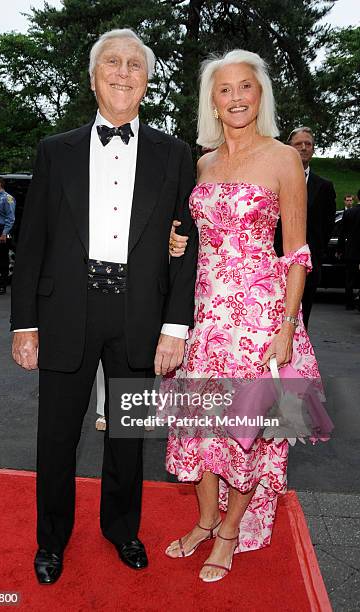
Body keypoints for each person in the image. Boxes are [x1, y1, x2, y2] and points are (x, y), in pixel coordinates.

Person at [10, 28, 198, 583]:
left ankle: (122, 528)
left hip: (139, 313)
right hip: (66, 308)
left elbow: (186, 246)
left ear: (147, 80)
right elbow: (32, 243)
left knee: (127, 435)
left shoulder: (175, 153)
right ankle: (51, 541)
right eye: (111, 63)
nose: (123, 72)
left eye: (134, 65)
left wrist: (174, 326)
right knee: (56, 436)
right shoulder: (54, 150)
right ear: (93, 77)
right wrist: (24, 324)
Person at [164, 49, 322, 583]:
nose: (236, 97)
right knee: (203, 427)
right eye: (225, 88)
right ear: (213, 98)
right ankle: (206, 519)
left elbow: (297, 252)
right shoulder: (202, 162)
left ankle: (230, 530)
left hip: (258, 318)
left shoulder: (283, 159)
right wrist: (174, 243)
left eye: (245, 88)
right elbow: (195, 238)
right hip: (205, 315)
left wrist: (285, 327)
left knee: (246, 430)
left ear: (260, 95)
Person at [273, 127, 336, 329]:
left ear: (313, 149)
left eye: (308, 144)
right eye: (298, 144)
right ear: (288, 148)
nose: (303, 148)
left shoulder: (324, 186)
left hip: (308, 267)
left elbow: (327, 227)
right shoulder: (273, 180)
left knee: (301, 323)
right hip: (273, 263)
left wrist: (315, 257)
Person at [338, 200, 360, 309]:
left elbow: (342, 233)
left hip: (352, 250)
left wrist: (340, 249)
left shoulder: (349, 213)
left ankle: (349, 303)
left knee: (350, 279)